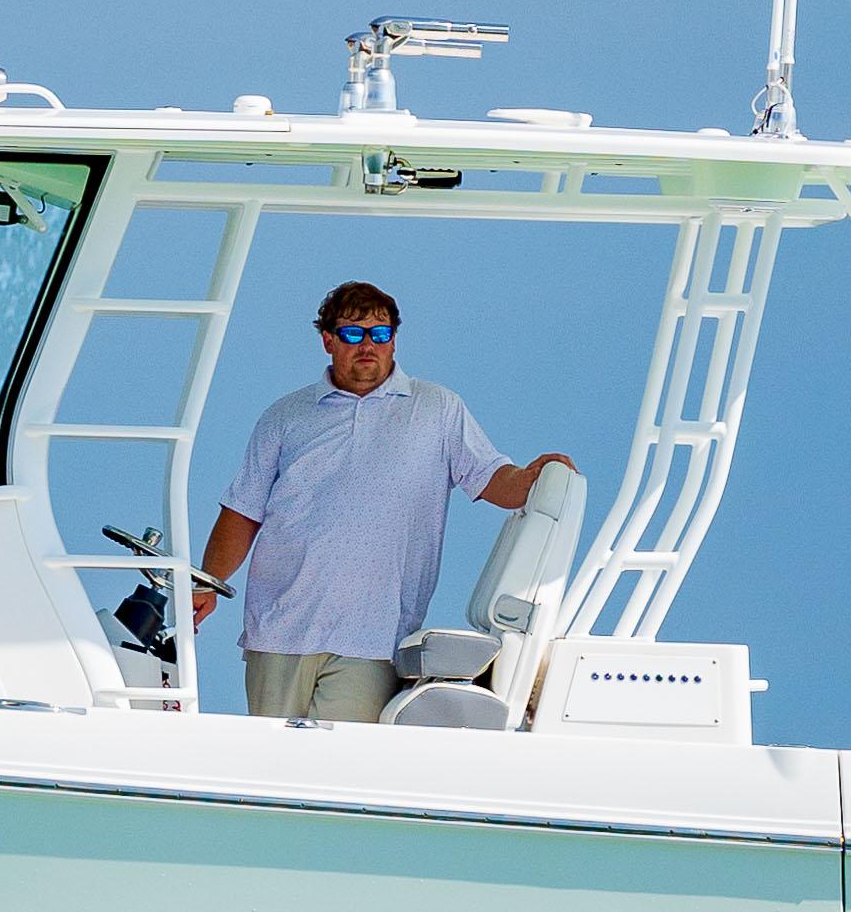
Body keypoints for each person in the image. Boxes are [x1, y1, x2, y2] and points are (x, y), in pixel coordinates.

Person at [191, 283, 573, 722]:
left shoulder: (437, 409)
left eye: (380, 333)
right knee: (273, 758)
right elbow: (243, 510)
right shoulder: (285, 415)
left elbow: (491, 479)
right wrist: (208, 584)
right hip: (278, 630)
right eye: (353, 334)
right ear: (328, 340)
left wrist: (530, 478)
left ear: (394, 339)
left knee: (342, 758)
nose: (368, 345)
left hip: (372, 638)